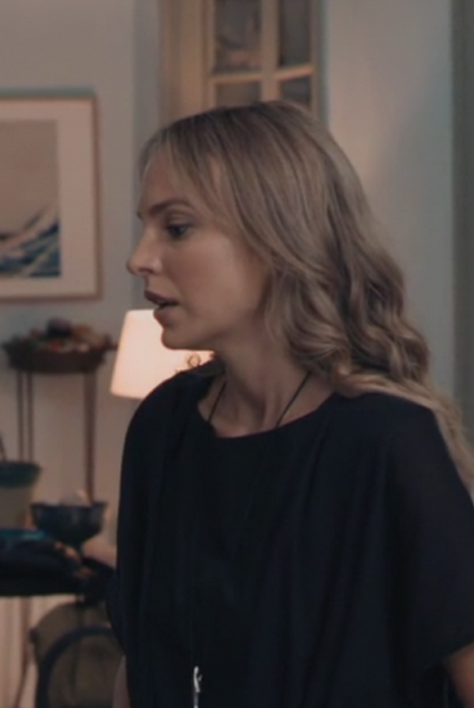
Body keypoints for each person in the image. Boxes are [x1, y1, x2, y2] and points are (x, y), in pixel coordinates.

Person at [109, 100, 474, 707]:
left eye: (176, 228)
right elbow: (139, 662)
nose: (139, 258)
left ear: (276, 239)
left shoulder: (387, 443)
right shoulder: (162, 425)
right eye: (146, 227)